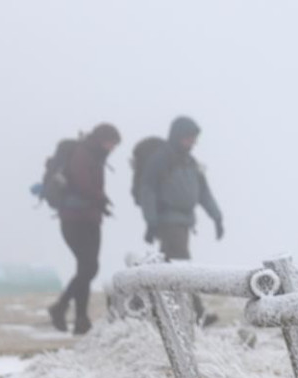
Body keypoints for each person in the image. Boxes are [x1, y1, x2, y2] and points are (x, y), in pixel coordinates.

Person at [138, 116, 224, 324]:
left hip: (184, 222)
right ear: (177, 136)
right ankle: (197, 313)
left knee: (170, 267)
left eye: (194, 138)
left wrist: (216, 217)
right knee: (181, 266)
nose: (192, 142)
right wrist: (151, 221)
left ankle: (159, 312)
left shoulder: (190, 162)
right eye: (189, 138)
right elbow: (147, 190)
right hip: (168, 221)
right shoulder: (161, 159)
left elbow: (203, 193)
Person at [48, 123, 121, 335]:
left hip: (90, 218)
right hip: (74, 219)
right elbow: (82, 183)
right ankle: (63, 308)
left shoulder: (95, 156)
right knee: (88, 267)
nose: (112, 149)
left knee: (86, 268)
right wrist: (101, 199)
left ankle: (79, 318)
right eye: (111, 143)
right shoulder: (83, 154)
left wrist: (101, 203)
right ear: (101, 139)